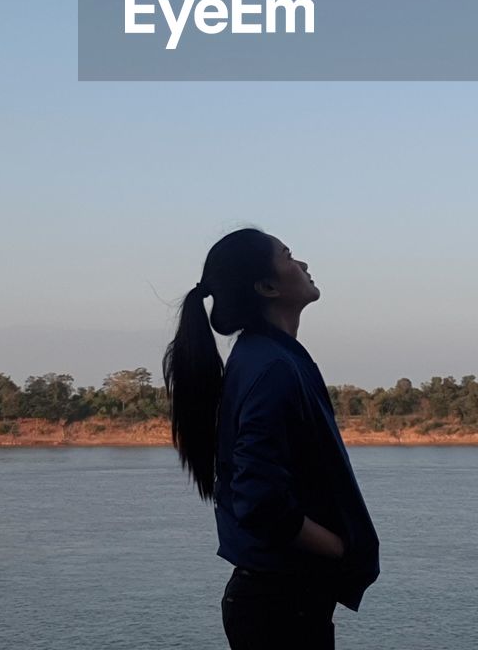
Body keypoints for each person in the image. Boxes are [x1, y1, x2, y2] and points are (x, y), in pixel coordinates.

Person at [162, 226, 381, 649]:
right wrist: (341, 547)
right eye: (288, 256)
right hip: (281, 608)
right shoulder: (273, 369)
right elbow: (259, 501)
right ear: (266, 286)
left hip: (278, 604)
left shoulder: (263, 358)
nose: (302, 264)